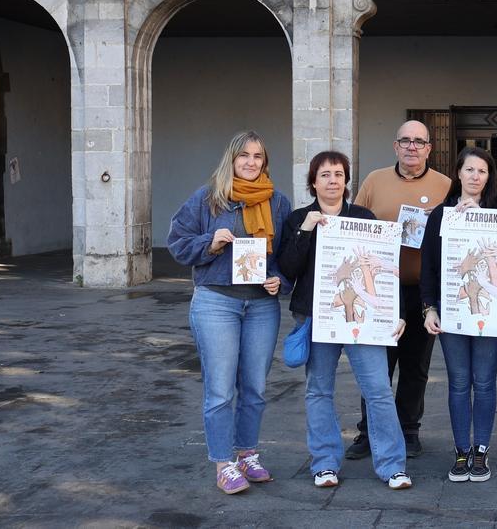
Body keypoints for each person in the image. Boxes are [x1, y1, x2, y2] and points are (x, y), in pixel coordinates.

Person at [277, 151, 412, 491]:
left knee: (378, 390)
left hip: (364, 318)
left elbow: (385, 268)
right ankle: (324, 463)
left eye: (338, 174)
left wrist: (396, 312)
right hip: (318, 317)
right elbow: (288, 269)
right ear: (313, 182)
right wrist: (306, 231)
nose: (332, 181)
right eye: (325, 175)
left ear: (346, 181)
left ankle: (392, 465)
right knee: (319, 390)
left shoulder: (363, 217)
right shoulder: (298, 219)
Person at [167, 131, 292, 494]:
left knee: (254, 387)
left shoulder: (277, 202)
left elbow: (286, 257)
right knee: (220, 389)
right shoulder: (208, 198)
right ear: (232, 159)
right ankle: (224, 463)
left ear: (265, 162)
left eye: (258, 156)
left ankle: (247, 454)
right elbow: (177, 243)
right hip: (216, 302)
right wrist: (210, 242)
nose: (251, 162)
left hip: (262, 306)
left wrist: (280, 281)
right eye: (244, 156)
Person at [348, 121, 451, 460]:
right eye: (405, 141)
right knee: (376, 366)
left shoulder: (445, 186)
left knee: (416, 366)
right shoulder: (374, 181)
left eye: (419, 141)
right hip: (379, 291)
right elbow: (354, 226)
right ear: (395, 146)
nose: (411, 147)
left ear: (429, 148)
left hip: (422, 293)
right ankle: (370, 431)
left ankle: (408, 430)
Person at [420, 147, 497, 483]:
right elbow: (428, 266)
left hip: (490, 310)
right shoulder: (440, 216)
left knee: (484, 382)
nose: (475, 176)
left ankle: (481, 450)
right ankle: (461, 450)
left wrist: (483, 218)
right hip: (452, 310)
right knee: (458, 383)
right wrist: (429, 308)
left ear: (489, 177)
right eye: (469, 169)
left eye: (482, 171)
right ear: (458, 173)